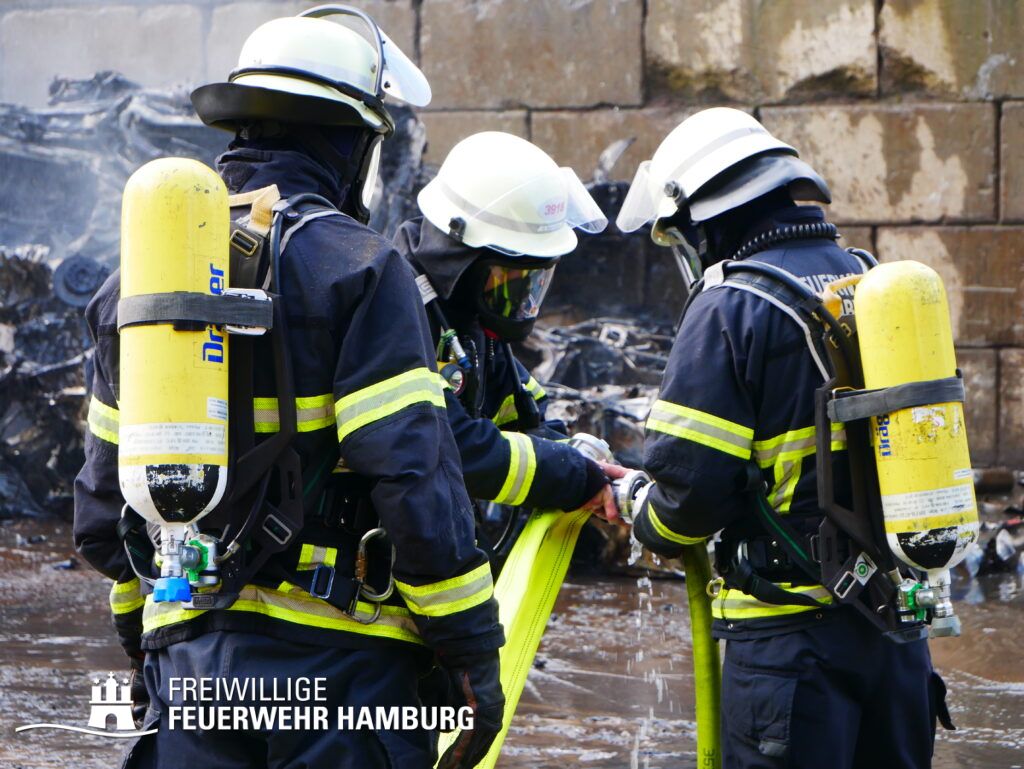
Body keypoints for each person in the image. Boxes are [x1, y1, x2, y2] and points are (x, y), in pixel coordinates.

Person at [74, 9, 503, 769]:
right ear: (350, 143)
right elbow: (414, 481)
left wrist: (150, 643)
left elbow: (108, 517)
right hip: (343, 678)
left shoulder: (134, 285)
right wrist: (470, 649)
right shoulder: (363, 269)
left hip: (192, 666)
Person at [617, 107, 950, 768]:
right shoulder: (866, 280)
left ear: (705, 220)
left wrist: (636, 507)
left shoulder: (732, 305)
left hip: (790, 647)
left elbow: (690, 495)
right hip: (895, 633)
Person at [393, 131, 626, 539]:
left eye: (534, 284)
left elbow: (523, 412)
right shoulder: (396, 306)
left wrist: (581, 460)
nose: (523, 302)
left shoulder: (467, 319)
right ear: (461, 259)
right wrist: (571, 476)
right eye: (510, 283)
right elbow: (449, 445)